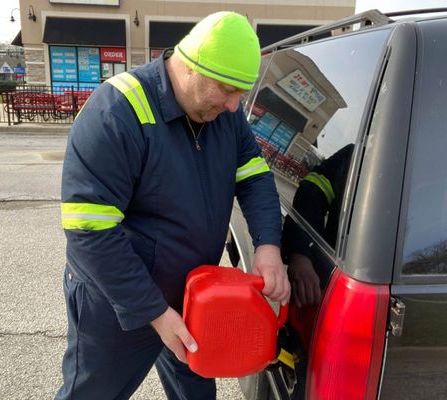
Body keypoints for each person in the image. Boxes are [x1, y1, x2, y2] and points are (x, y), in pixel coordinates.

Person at [56, 11, 290, 400]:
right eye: (228, 90)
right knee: (90, 393)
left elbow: (255, 178)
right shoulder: (117, 111)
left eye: (241, 94)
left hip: (193, 296)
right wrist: (155, 313)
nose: (235, 107)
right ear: (192, 68)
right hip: (117, 304)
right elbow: (89, 230)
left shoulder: (224, 117)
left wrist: (268, 245)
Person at [281, 144, 354, 307]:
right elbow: (312, 192)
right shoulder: (358, 158)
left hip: (359, 293)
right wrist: (301, 253)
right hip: (320, 283)